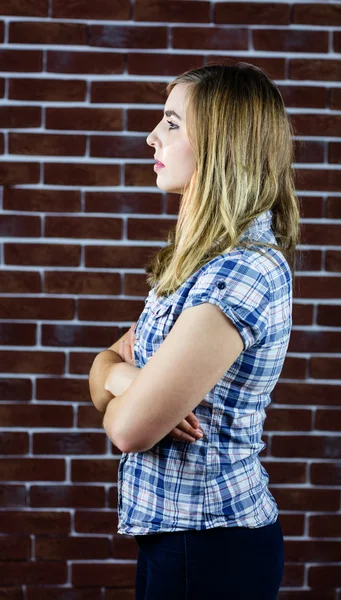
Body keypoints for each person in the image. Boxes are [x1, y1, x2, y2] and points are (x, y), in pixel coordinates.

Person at [89, 62, 300, 600]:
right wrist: (125, 380)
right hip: (175, 538)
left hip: (211, 544)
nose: (151, 136)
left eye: (173, 123)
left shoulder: (242, 270)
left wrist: (119, 383)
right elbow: (104, 365)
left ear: (223, 144)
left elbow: (129, 433)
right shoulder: (199, 263)